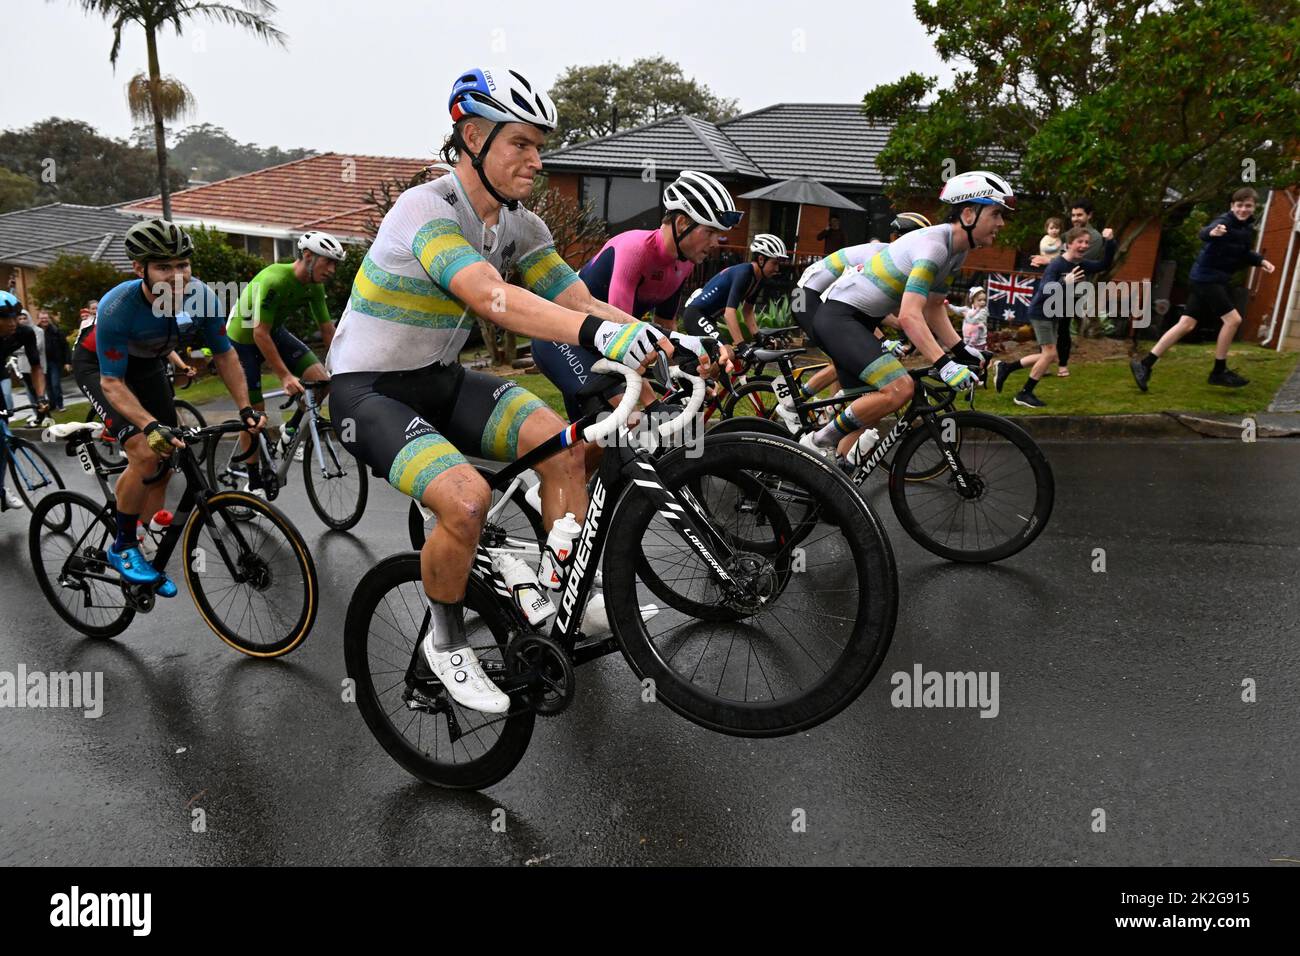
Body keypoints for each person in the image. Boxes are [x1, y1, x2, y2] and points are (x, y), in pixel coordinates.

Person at [327, 66, 685, 714]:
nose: (536, 160)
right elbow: (491, 296)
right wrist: (595, 337)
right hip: (368, 392)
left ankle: (558, 589)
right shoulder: (425, 210)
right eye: (520, 142)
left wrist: (664, 340)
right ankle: (444, 642)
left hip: (440, 381)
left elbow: (576, 297)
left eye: (539, 145)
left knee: (567, 446)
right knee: (465, 500)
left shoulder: (519, 226)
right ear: (471, 136)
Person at [75, 217, 265, 595]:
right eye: (164, 267)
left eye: (183, 265)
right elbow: (112, 382)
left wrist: (245, 409)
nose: (177, 275)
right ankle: (123, 547)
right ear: (139, 268)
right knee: (146, 451)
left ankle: (140, 534)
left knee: (169, 454)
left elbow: (225, 357)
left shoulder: (202, 297)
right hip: (101, 366)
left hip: (147, 364)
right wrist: (148, 426)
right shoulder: (119, 306)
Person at [802, 171, 1012, 461]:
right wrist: (945, 365)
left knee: (872, 409)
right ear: (968, 213)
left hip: (861, 321)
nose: (1001, 223)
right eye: (996, 213)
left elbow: (934, 307)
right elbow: (911, 316)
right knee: (900, 389)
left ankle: (832, 477)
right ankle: (813, 444)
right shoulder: (935, 248)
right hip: (841, 318)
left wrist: (962, 351)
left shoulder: (957, 251)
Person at [531, 168, 737, 421]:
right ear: (683, 223)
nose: (716, 242)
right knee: (628, 421)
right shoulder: (635, 250)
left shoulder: (683, 264)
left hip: (602, 344)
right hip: (561, 339)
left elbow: (664, 332)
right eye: (710, 232)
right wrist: (651, 402)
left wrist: (689, 375)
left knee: (613, 440)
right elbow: (624, 339)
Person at [225, 230, 344, 489]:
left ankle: (289, 430)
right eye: (328, 262)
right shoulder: (275, 280)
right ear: (308, 256)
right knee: (254, 416)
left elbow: (326, 329)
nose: (332, 270)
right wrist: (284, 375)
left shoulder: (314, 286)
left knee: (322, 381)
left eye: (335, 264)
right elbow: (259, 333)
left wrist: (343, 366)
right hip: (242, 339)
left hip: (272, 331)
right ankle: (253, 479)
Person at [1130, 187, 1276, 391]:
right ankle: (1218, 371)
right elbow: (1205, 232)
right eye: (1239, 205)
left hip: (1207, 279)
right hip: (1207, 279)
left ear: (1253, 208)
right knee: (1233, 320)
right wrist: (1213, 232)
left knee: (1187, 324)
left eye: (1248, 205)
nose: (1243, 209)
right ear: (1232, 206)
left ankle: (1144, 365)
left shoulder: (1245, 230)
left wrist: (1261, 261)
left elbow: (1243, 253)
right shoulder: (1224, 222)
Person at [788, 212, 931, 411]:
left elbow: (871, 312)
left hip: (820, 298)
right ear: (896, 238)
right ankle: (794, 406)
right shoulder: (882, 258)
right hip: (806, 295)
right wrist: (882, 341)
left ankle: (831, 408)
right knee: (847, 356)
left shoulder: (897, 262)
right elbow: (853, 310)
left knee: (848, 360)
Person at [995, 225, 1116, 406]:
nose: (1084, 246)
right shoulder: (1057, 264)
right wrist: (1063, 281)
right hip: (1041, 312)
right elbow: (1044, 290)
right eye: (1080, 242)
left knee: (1048, 354)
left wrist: (1110, 242)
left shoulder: (1080, 264)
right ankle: (1024, 394)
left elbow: (1104, 264)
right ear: (1068, 244)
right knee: (1050, 354)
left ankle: (1006, 367)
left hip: (1053, 314)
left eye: (1087, 243)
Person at [680, 233, 790, 344]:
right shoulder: (744, 273)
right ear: (761, 259)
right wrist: (741, 345)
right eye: (774, 263)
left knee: (725, 356)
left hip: (708, 318)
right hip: (695, 315)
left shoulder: (759, 278)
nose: (777, 268)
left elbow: (747, 311)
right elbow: (729, 313)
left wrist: (758, 336)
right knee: (726, 351)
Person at [0, 291, 50, 511]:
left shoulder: (24, 333)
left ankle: (1, 489)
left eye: (16, 316)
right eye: (6, 318)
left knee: (3, 433)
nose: (13, 323)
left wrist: (41, 397)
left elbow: (37, 368)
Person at [36, 310, 70, 410]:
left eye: (46, 318)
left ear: (49, 319)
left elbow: (65, 346)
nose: (44, 320)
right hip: (42, 363)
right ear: (39, 319)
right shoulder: (35, 331)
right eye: (42, 318)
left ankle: (60, 405)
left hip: (55, 362)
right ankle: (52, 405)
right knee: (48, 386)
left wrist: (67, 361)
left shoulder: (56, 331)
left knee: (55, 384)